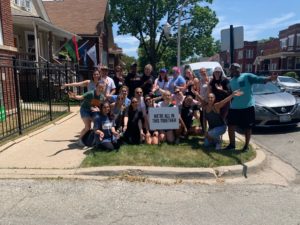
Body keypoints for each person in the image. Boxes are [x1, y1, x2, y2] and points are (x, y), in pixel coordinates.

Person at [225, 63, 278, 151]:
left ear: (240, 69)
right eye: (232, 69)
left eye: (236, 68)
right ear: (230, 71)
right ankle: (232, 145)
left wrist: (270, 78)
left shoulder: (247, 76)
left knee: (247, 127)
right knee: (230, 126)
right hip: (234, 107)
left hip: (247, 106)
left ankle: (246, 146)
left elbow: (259, 79)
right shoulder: (231, 81)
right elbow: (231, 93)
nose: (234, 70)